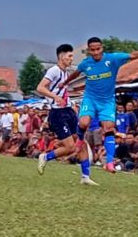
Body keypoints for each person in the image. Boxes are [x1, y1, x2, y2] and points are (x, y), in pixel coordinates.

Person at [62, 37, 138, 173]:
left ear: (102, 48)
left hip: (107, 101)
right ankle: (79, 139)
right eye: (92, 50)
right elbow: (76, 73)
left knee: (108, 128)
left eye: (98, 49)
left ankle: (109, 162)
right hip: (90, 99)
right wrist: (64, 83)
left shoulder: (113, 59)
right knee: (84, 123)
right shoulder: (86, 63)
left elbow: (132, 55)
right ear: (89, 51)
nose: (96, 52)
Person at [36, 44, 98, 185]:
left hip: (68, 111)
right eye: (69, 56)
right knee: (70, 147)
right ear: (61, 56)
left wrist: (71, 105)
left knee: (81, 142)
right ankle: (45, 157)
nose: (71, 59)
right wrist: (55, 98)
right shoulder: (54, 71)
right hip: (57, 113)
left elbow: (62, 92)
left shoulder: (65, 73)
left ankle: (85, 177)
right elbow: (40, 87)